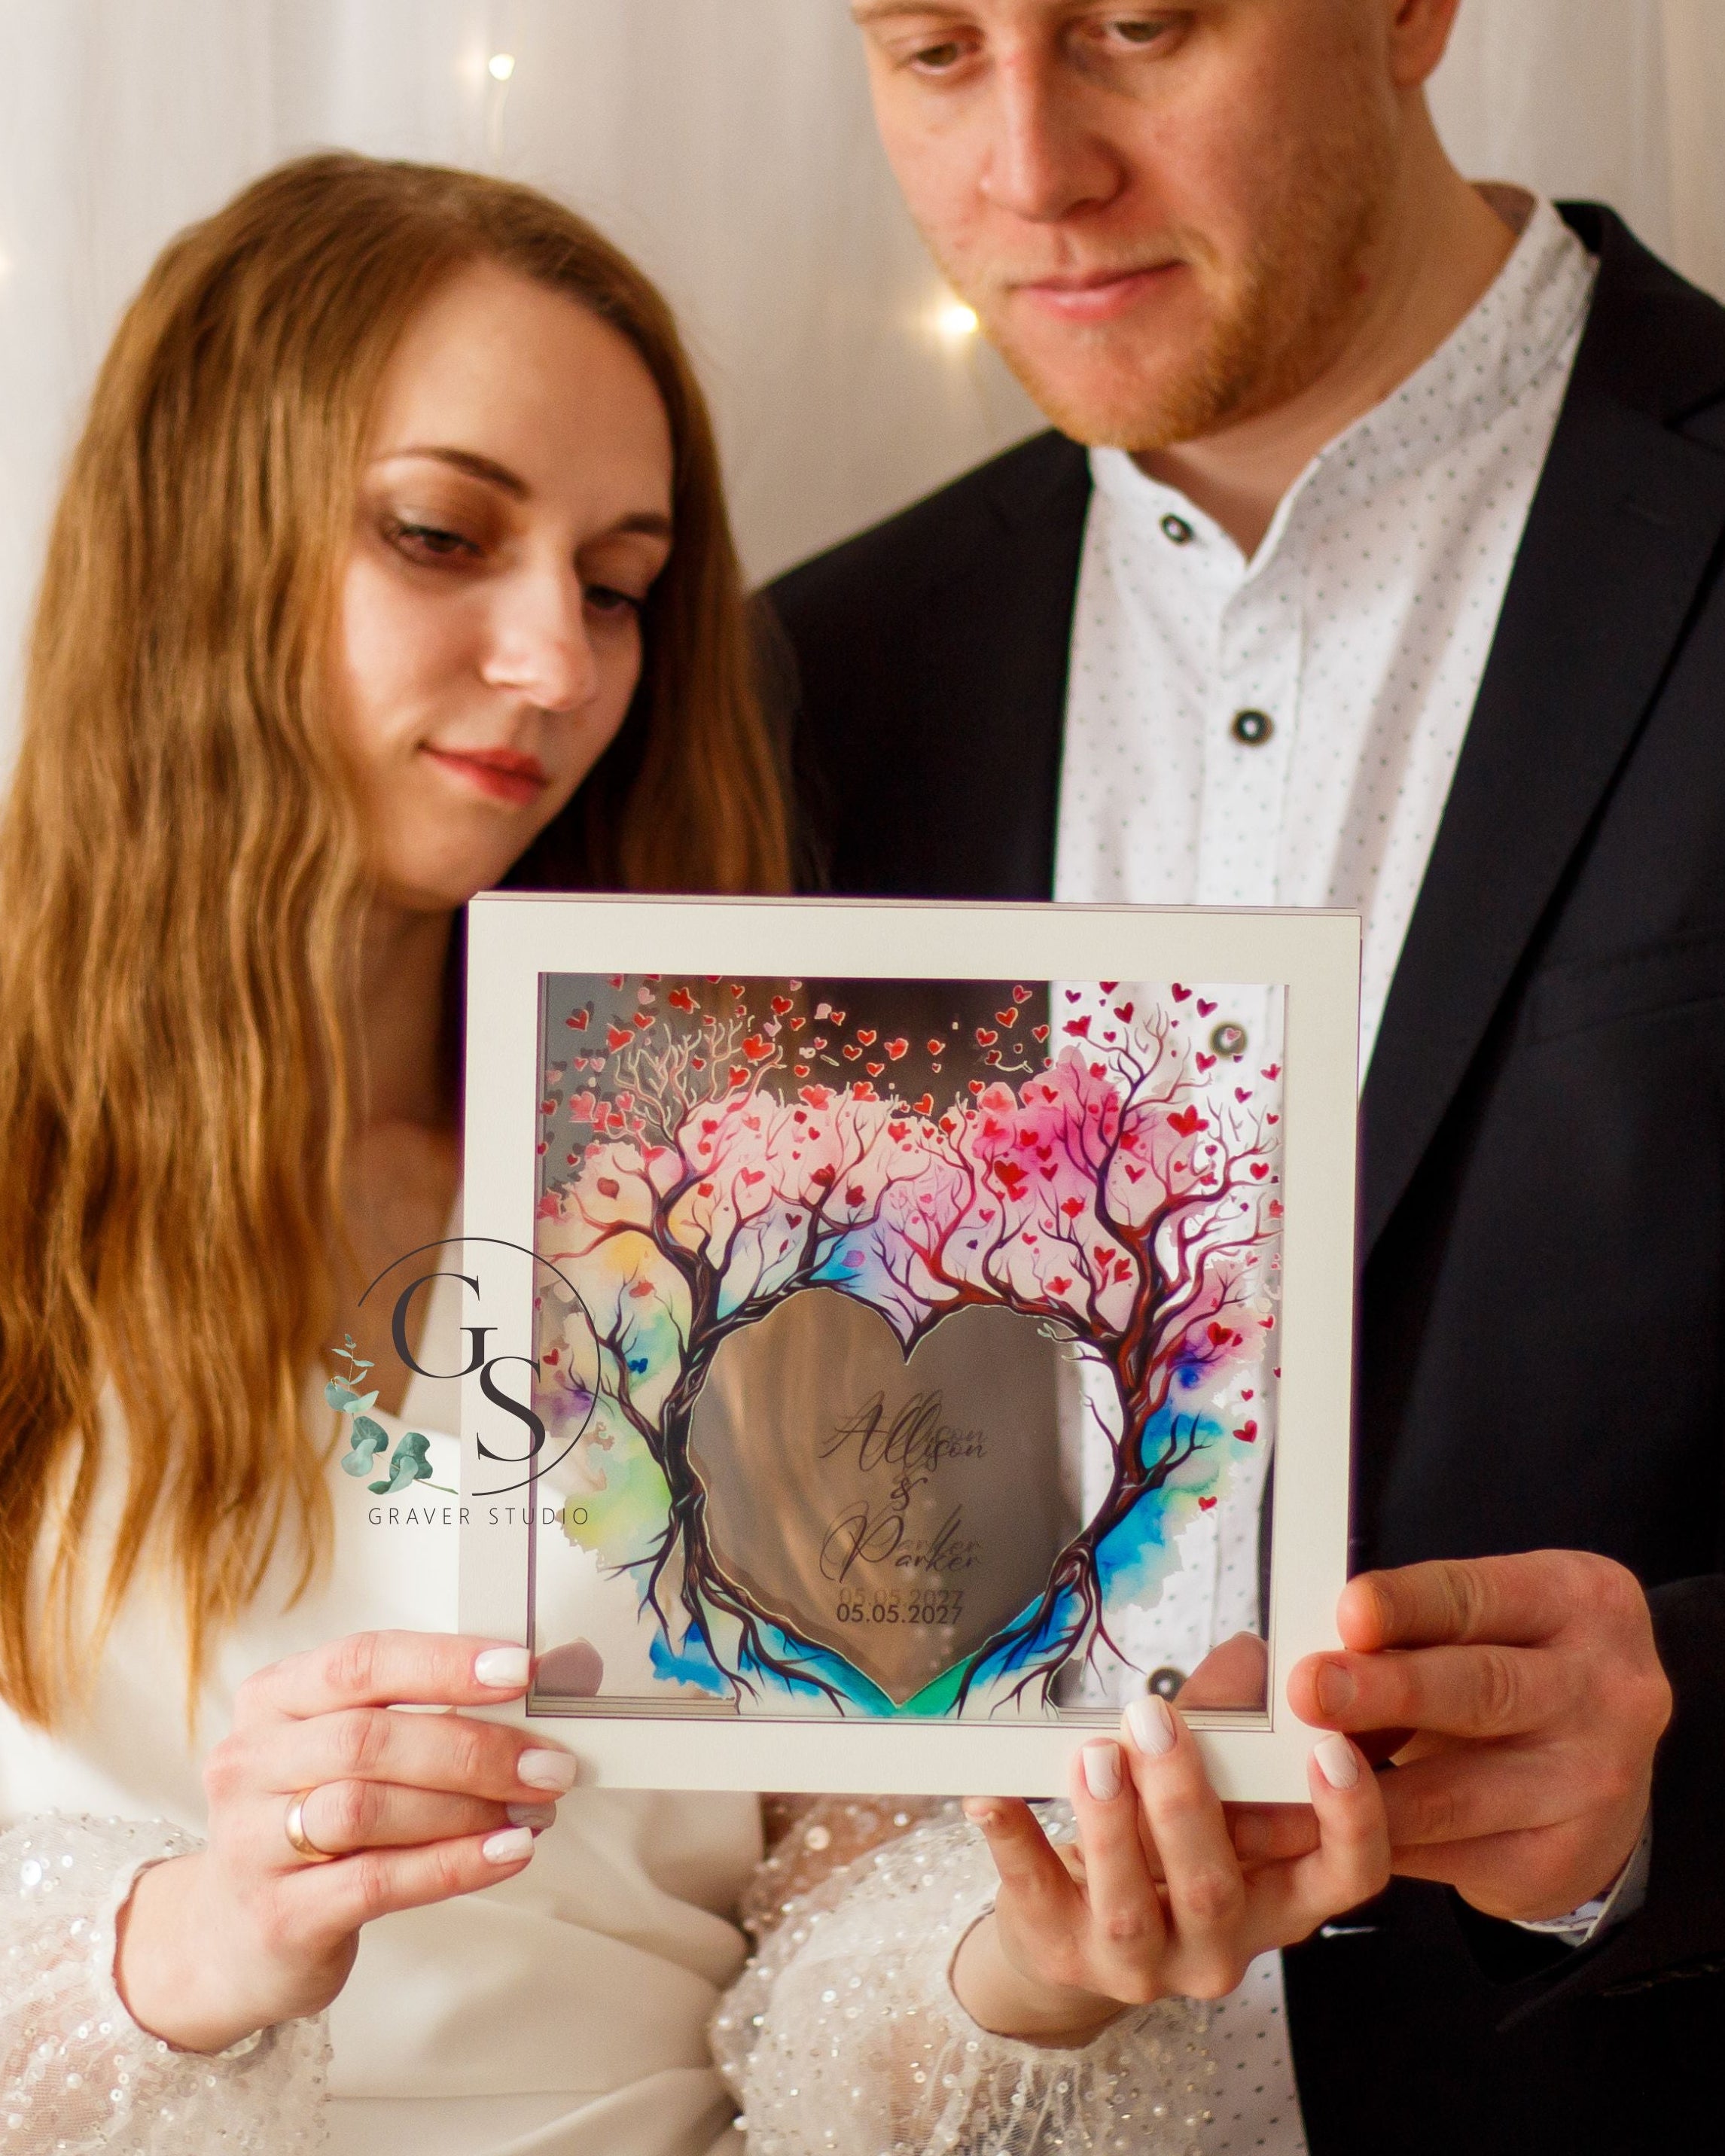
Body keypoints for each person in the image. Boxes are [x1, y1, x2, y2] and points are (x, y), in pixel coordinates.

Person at [0, 150, 1388, 2156]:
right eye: (440, 535)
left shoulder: (743, 1195)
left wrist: (1035, 1968)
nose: (558, 665)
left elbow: (819, 1958)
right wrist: (195, 1941)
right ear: (191, 531)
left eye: (618, 585)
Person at [766, 2, 1722, 2150]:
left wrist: (1688, 1767)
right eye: (933, 50)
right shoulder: (808, 682)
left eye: (1138, 23)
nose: (1033, 169)